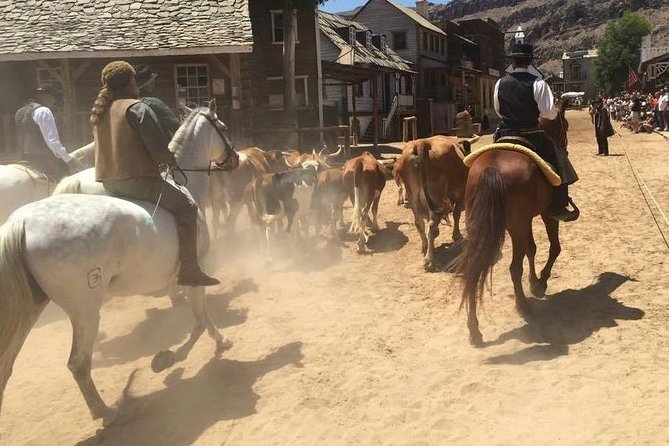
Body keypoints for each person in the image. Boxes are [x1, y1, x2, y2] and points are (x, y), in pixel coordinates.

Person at [90, 61, 219, 287]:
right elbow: (159, 149)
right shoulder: (137, 108)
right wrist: (170, 162)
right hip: (138, 181)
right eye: (133, 80)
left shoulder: (100, 111)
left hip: (108, 183)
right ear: (130, 82)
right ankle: (189, 270)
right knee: (187, 209)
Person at [493, 36, 579, 222]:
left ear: (513, 62)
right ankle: (558, 205)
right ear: (531, 61)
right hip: (531, 133)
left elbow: (498, 111)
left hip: (505, 133)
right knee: (558, 159)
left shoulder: (500, 83)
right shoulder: (539, 84)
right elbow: (548, 113)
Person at [14, 86, 84, 180]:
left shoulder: (20, 111)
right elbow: (52, 141)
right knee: (65, 179)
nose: (54, 102)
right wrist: (68, 160)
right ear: (46, 97)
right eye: (53, 98)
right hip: (44, 159)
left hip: (24, 157)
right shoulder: (44, 111)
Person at [133, 63, 181, 139]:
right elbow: (177, 128)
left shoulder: (128, 104)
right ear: (149, 84)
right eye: (152, 82)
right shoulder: (154, 103)